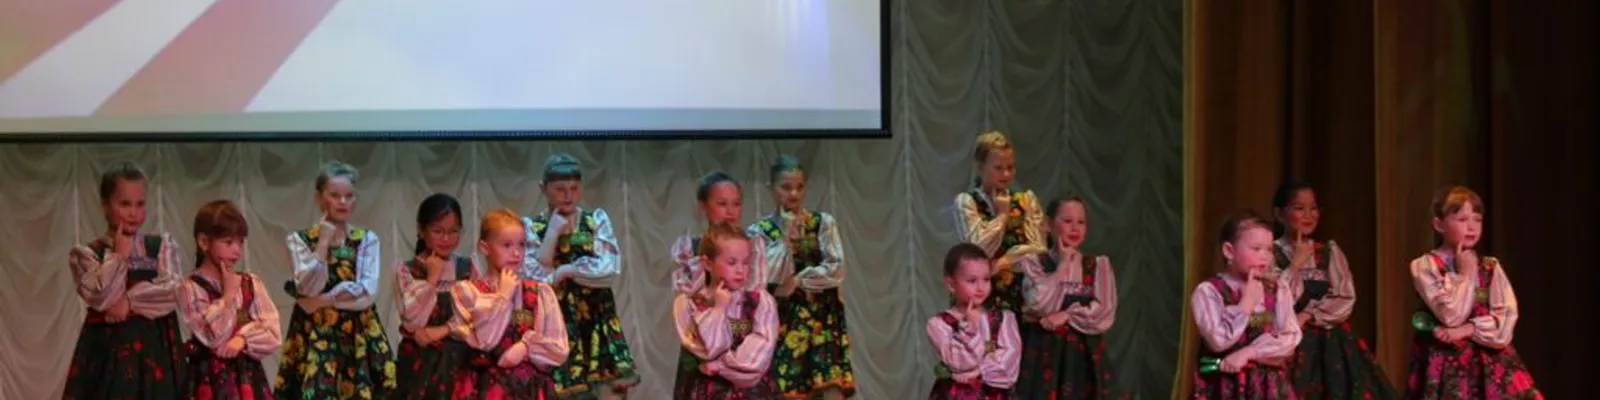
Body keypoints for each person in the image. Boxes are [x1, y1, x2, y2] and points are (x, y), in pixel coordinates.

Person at [63, 162, 188, 400]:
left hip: (156, 348)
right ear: (105, 205)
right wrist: (118, 257)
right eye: (125, 204)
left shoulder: (160, 246)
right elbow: (102, 298)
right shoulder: (88, 254)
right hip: (108, 352)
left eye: (140, 204)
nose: (133, 213)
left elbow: (174, 291)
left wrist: (129, 302)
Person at [1404, 186, 1541, 399]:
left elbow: (1504, 321)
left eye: (1477, 220)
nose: (1471, 227)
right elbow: (1451, 315)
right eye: (1462, 219)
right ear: (1439, 224)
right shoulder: (1426, 266)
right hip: (1445, 364)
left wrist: (1469, 329)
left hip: (1489, 362)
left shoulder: (1490, 267)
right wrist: (1466, 274)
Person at [1190, 210, 1301, 399]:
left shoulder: (1276, 290)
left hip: (1269, 389)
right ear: (1229, 251)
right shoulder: (1210, 292)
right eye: (1256, 249)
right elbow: (1218, 341)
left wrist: (1250, 352)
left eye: (1269, 250)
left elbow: (1290, 337)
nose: (1264, 256)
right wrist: (1246, 304)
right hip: (1226, 388)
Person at [178, 200, 281, 399]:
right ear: (204, 242)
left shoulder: (250, 283)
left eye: (240, 242)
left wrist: (243, 338)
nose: (237, 251)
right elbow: (213, 337)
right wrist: (227, 297)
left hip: (247, 379)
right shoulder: (191, 287)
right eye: (228, 242)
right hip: (209, 380)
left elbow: (272, 331)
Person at [672, 224, 779, 399]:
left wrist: (720, 366)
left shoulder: (760, 301)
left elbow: (759, 354)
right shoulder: (688, 304)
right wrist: (719, 309)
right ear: (707, 263)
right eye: (731, 262)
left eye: (745, 262)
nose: (740, 270)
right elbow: (707, 350)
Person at [927, 242, 1022, 400]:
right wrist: (969, 328)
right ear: (951, 285)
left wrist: (979, 371)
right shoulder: (940, 324)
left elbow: (1008, 364)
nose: (980, 287)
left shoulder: (1001, 319)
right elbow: (959, 363)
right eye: (972, 280)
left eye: (986, 279)